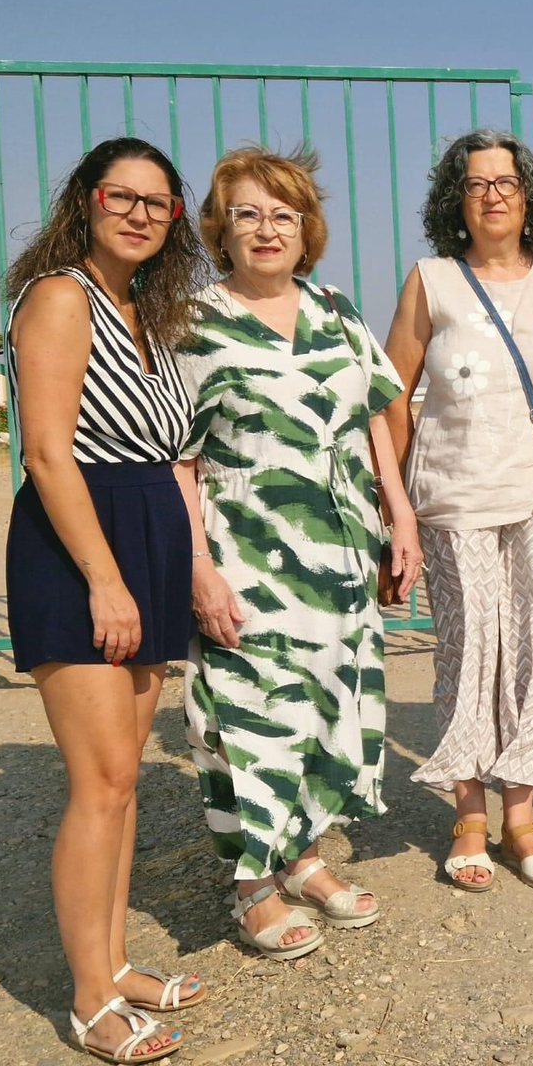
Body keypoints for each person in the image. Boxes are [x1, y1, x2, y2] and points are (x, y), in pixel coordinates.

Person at [174, 146, 421, 958]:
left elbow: (377, 418)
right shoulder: (193, 323)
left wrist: (401, 516)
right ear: (222, 227)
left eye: (283, 214)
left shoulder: (336, 309)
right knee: (250, 713)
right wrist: (200, 567)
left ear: (306, 228)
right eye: (247, 212)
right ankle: (251, 884)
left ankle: (305, 857)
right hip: (246, 553)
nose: (266, 228)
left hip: (343, 548)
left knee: (326, 702)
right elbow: (176, 457)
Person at [3, 136, 204, 1064]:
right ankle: (90, 1000)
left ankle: (116, 962)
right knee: (103, 781)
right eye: (121, 196)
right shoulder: (59, 298)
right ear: (84, 202)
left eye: (156, 202)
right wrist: (105, 578)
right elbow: (48, 452)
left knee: (124, 782)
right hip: (84, 545)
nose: (138, 213)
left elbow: (169, 452)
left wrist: (173, 565)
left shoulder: (144, 312)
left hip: (147, 534)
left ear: (173, 220)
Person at [383, 129, 533, 892]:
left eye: (505, 182)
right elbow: (391, 395)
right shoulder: (432, 280)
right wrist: (402, 509)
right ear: (456, 199)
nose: (491, 194)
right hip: (454, 498)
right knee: (472, 651)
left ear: (528, 194)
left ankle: (521, 815)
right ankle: (469, 816)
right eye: (476, 183)